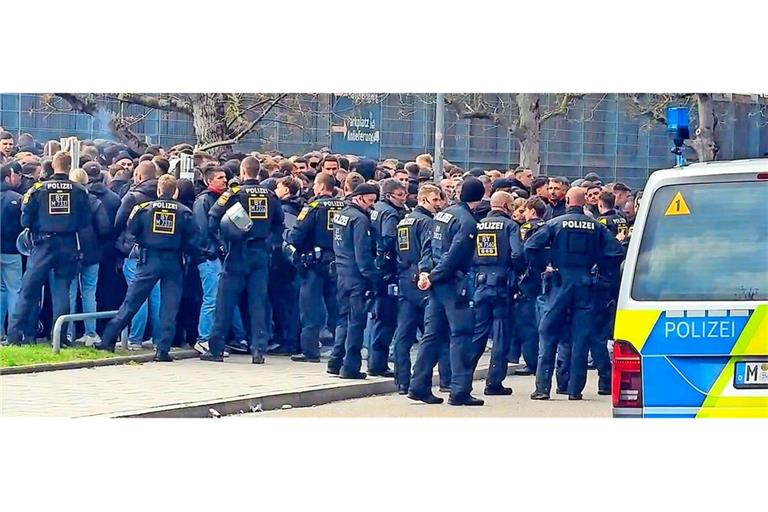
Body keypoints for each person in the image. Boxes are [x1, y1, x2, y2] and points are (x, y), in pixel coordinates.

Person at [525, 187, 624, 400]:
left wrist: (544, 265)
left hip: (560, 282)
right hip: (586, 283)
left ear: (568, 200)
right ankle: (575, 390)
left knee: (548, 332)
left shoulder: (554, 223)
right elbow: (616, 251)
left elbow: (531, 246)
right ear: (583, 202)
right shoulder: (597, 226)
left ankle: (542, 388)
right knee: (581, 337)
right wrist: (600, 270)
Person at [94, 175, 202, 361]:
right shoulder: (184, 212)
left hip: (148, 259)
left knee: (132, 302)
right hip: (173, 262)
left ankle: (108, 340)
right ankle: (162, 350)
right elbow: (193, 239)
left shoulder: (143, 209)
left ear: (158, 190)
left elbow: (132, 230)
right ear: (175, 192)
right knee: (169, 307)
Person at [408, 176, 486, 406]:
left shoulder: (443, 214)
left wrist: (425, 273)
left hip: (436, 283)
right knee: (461, 334)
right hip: (453, 284)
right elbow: (455, 255)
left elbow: (428, 247)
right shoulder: (468, 222)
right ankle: (460, 390)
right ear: (480, 198)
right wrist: (433, 276)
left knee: (432, 336)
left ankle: (419, 385)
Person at [200, 156, 285, 364]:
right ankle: (258, 351)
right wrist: (269, 243)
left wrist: (223, 242)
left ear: (243, 172)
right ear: (258, 172)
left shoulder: (235, 193)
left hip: (237, 251)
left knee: (225, 302)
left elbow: (213, 218)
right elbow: (279, 225)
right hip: (260, 253)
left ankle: (216, 350)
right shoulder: (271, 195)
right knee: (258, 303)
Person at [6, 151, 91, 347]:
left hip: (43, 244)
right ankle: (59, 338)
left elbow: (25, 219)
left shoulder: (37, 189)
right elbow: (85, 220)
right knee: (62, 290)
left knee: (28, 290)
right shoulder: (79, 190)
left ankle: (15, 335)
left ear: (53, 166)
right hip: (68, 244)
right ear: (69, 167)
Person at [391, 184, 451, 394]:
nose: (439, 204)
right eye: (435, 200)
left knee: (404, 333)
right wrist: (428, 273)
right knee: (437, 332)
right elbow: (428, 251)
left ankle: (402, 381)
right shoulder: (427, 222)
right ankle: (445, 380)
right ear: (424, 200)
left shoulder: (403, 221)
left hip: (405, 277)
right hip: (422, 279)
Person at [469, 191, 524, 396]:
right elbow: (517, 253)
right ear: (507, 205)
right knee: (501, 334)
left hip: (480, 282)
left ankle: (463, 378)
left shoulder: (478, 224)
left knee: (478, 333)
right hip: (502, 284)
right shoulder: (510, 226)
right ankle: (494, 382)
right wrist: (518, 272)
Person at [285, 172, 344, 362]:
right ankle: (341, 349)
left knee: (310, 308)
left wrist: (287, 236)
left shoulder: (313, 207)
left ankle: (310, 351)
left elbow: (297, 236)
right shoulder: (344, 207)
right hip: (337, 262)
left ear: (320, 186)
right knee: (336, 308)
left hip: (314, 264)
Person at [326, 183, 381, 379]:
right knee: (357, 322)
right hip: (357, 276)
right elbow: (362, 254)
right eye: (370, 200)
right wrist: (373, 277)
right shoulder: (360, 220)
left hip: (341, 272)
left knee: (343, 319)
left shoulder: (342, 214)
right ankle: (350, 367)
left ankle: (335, 360)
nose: (372, 205)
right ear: (359, 197)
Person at [50, 168, 111, 346]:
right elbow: (105, 228)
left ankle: (67, 333)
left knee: (69, 292)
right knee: (89, 293)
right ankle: (90, 333)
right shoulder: (94, 201)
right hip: (91, 253)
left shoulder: (65, 200)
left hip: (68, 252)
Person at [192, 166, 247, 354]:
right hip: (209, 257)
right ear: (209, 181)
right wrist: (212, 251)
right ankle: (204, 339)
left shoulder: (227, 199)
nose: (224, 180)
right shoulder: (203, 201)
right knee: (211, 298)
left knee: (224, 299)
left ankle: (234, 338)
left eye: (225, 177)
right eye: (220, 178)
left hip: (224, 256)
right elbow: (202, 230)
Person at [114, 161, 162, 350]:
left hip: (134, 250)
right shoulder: (162, 195)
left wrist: (119, 245)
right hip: (157, 250)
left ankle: (135, 339)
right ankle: (158, 339)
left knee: (137, 296)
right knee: (157, 297)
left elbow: (119, 222)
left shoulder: (132, 196)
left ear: (139, 176)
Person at [367, 178, 409, 376]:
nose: (404, 198)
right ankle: (378, 363)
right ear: (389, 194)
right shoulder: (391, 213)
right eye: (400, 195)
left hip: (377, 265)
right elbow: (390, 238)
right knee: (386, 318)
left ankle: (375, 361)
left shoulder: (376, 208)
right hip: (388, 269)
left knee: (378, 317)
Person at [266, 175, 304, 356]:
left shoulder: (286, 210)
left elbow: (287, 235)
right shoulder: (300, 207)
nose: (275, 191)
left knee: (286, 303)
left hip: (282, 263)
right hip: (289, 262)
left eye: (278, 187)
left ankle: (289, 342)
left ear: (287, 190)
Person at [510, 196, 548, 375]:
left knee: (527, 325)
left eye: (525, 211)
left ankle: (531, 362)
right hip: (547, 280)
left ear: (532, 211)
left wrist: (519, 275)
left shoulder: (526, 228)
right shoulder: (549, 227)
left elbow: (519, 254)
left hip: (528, 281)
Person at [0, 161, 24, 343]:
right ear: (9, 176)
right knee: (14, 289)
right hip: (12, 250)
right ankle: (14, 332)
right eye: (18, 175)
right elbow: (23, 224)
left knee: (1, 290)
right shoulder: (17, 199)